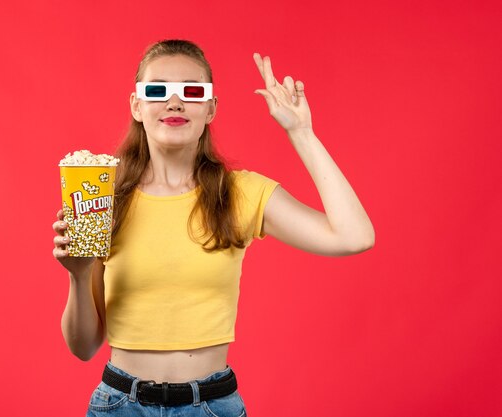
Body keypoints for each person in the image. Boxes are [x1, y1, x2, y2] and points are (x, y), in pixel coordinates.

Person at [52, 39, 375, 416]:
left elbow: (355, 237)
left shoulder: (240, 193)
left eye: (192, 91)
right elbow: (83, 347)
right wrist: (78, 275)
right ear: (137, 106)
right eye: (157, 91)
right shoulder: (103, 196)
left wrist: (301, 133)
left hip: (211, 406)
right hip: (119, 405)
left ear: (210, 108)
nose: (174, 103)